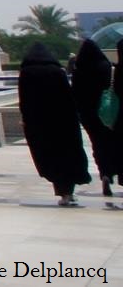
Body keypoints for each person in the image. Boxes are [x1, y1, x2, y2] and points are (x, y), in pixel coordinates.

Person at [19, 43, 90, 205]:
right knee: (66, 154)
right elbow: (68, 97)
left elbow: (24, 101)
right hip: (62, 121)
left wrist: (25, 119)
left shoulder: (26, 73)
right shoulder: (57, 71)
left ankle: (62, 191)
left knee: (49, 155)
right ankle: (68, 191)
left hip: (39, 122)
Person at [72, 39, 120, 198]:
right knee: (113, 143)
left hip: (89, 116)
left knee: (98, 145)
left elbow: (75, 95)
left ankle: (105, 174)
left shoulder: (78, 70)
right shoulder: (106, 67)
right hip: (108, 114)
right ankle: (116, 169)